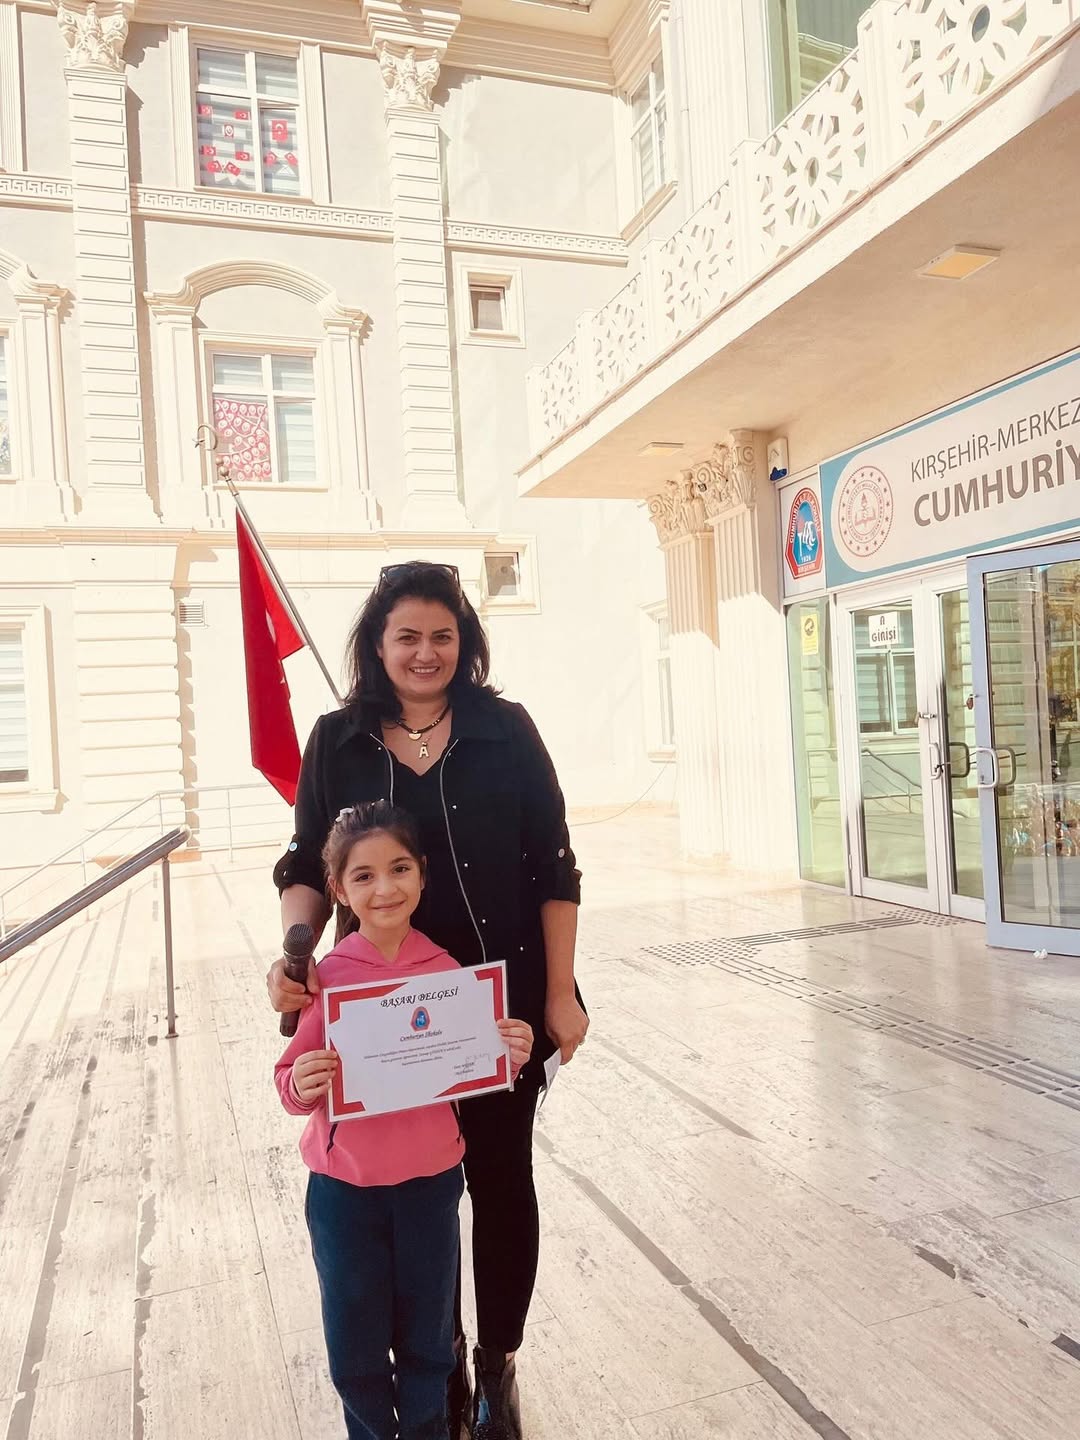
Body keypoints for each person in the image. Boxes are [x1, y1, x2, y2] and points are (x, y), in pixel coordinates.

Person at [269, 561, 588, 1440]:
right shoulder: (338, 739)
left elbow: (553, 867)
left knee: (500, 1179)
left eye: (442, 635)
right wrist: (296, 955)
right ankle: (437, 1358)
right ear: (378, 645)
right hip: (376, 1014)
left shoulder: (506, 731)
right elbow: (304, 863)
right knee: (419, 1191)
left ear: (465, 643)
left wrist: (560, 993)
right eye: (406, 635)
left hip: (493, 1010)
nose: (426, 652)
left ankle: (498, 1369)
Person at [276, 801, 534, 1440]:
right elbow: (288, 1080)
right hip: (345, 1193)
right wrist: (301, 1084)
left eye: (398, 869)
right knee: (355, 1345)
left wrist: (507, 1049)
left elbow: (476, 1062)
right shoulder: (326, 980)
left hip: (431, 1186)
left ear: (422, 875)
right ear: (338, 889)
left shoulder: (449, 975)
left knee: (427, 1339)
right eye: (362, 876)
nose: (384, 887)